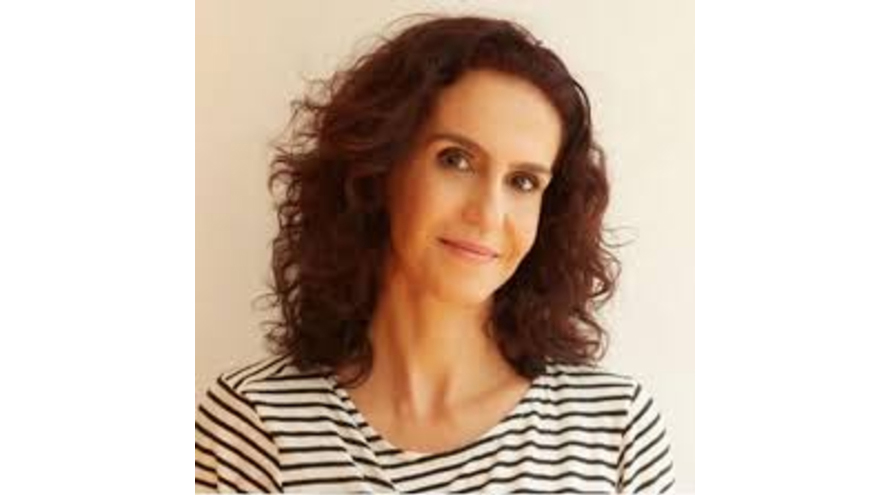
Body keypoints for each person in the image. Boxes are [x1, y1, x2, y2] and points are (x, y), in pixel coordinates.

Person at [196, 14, 675, 493]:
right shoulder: (250, 426)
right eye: (456, 160)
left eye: (523, 182)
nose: (488, 214)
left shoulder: (614, 431)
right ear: (380, 166)